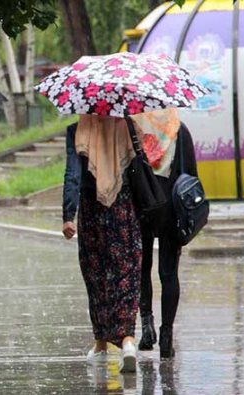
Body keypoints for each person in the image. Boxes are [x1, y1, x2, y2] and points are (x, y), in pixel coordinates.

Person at [62, 115, 141, 373]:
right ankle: (128, 341)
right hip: (124, 208)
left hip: (91, 209)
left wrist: (68, 215)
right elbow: (141, 168)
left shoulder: (77, 130)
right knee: (126, 273)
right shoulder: (128, 127)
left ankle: (101, 345)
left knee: (96, 276)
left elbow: (72, 174)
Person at [132, 109, 198, 359]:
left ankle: (147, 328)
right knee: (168, 273)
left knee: (142, 269)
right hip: (172, 209)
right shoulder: (180, 130)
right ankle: (167, 336)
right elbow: (191, 176)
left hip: (142, 207)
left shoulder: (135, 130)